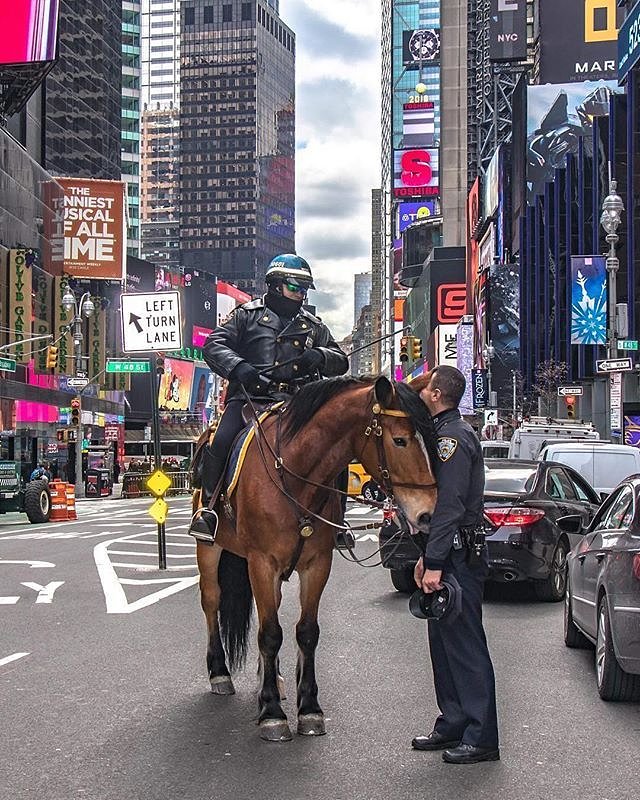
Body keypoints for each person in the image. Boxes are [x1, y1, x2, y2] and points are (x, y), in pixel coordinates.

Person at [188, 253, 349, 543]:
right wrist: (239, 367)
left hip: (299, 405)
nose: (300, 295)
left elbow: (341, 360)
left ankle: (338, 521)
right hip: (251, 399)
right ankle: (208, 509)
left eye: (304, 290)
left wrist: (320, 355)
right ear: (275, 285)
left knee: (335, 450)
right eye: (295, 287)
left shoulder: (314, 325)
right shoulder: (246, 315)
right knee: (221, 439)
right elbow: (214, 344)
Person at [411, 365, 499, 765]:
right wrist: (427, 557)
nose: (421, 391)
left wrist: (435, 560)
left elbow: (450, 506)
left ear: (435, 393)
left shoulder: (451, 438)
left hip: (459, 557)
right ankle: (453, 722)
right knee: (443, 645)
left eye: (426, 386)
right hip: (451, 555)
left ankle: (481, 736)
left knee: (465, 647)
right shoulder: (444, 434)